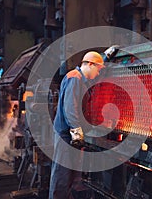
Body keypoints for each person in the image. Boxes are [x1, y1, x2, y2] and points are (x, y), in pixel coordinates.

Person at [49, 47, 118, 199]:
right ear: (90, 65)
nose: (98, 73)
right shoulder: (75, 78)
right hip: (65, 136)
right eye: (98, 69)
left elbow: (95, 62)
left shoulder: (81, 78)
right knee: (62, 176)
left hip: (70, 135)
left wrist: (105, 56)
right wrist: (77, 132)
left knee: (70, 176)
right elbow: (70, 108)